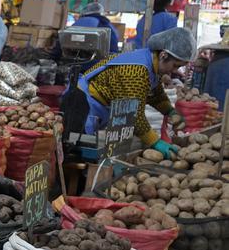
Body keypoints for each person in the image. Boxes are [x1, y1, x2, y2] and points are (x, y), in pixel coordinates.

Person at [77, 27, 196, 159]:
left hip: (100, 106)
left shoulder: (152, 63)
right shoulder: (136, 71)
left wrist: (169, 111)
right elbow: (133, 116)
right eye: (175, 65)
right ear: (163, 55)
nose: (174, 71)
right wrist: (155, 142)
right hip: (84, 104)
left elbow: (155, 94)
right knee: (83, 153)